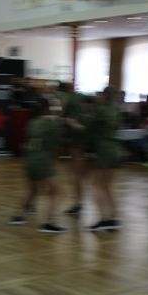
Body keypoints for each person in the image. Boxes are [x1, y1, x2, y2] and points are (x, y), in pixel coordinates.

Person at [9, 96, 71, 233]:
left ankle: (17, 216)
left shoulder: (32, 123)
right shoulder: (51, 123)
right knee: (58, 191)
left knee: (31, 189)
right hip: (42, 159)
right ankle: (49, 222)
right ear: (48, 108)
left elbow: (25, 143)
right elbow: (57, 145)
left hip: (29, 158)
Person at [88, 87, 124, 231]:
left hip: (104, 149)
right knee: (107, 186)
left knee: (97, 185)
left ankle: (104, 219)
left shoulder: (100, 110)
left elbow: (90, 130)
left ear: (104, 96)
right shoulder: (116, 111)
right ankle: (114, 217)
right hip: (115, 149)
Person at [60, 83, 89, 217]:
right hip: (83, 144)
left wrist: (71, 124)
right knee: (78, 176)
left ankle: (78, 203)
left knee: (77, 176)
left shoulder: (69, 101)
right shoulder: (82, 100)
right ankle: (78, 203)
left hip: (80, 143)